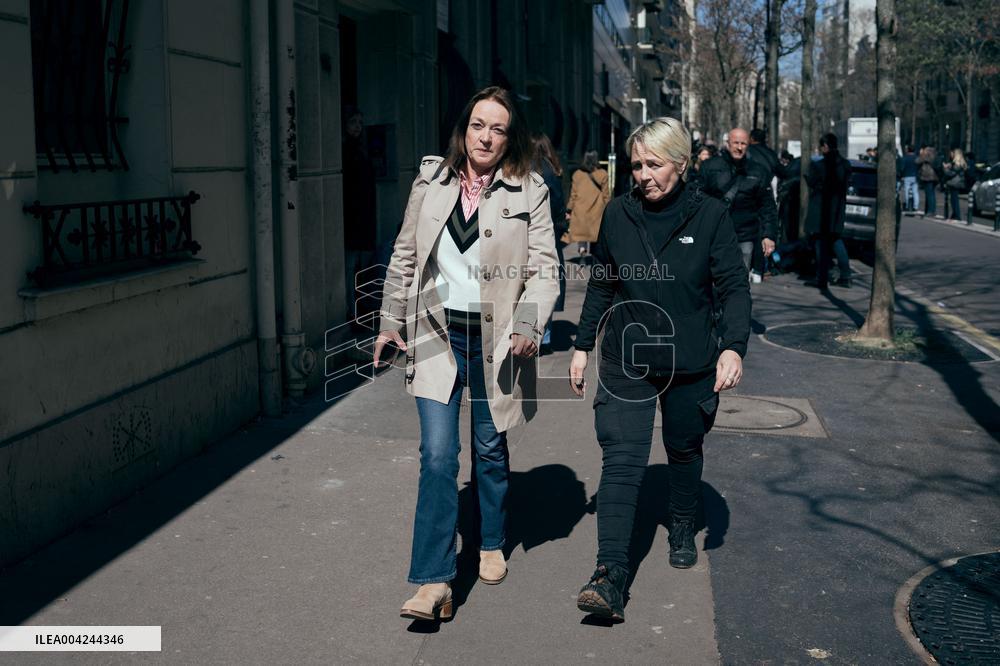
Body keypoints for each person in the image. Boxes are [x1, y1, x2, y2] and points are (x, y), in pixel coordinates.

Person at [374, 86, 560, 621]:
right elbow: (405, 257)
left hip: (495, 340)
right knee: (437, 456)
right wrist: (389, 322)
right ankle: (433, 582)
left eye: (498, 129)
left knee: (488, 448)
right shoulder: (431, 183)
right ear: (464, 128)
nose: (486, 136)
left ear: (510, 138)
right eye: (478, 125)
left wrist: (529, 323)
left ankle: (491, 539)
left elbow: (545, 271)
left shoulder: (531, 191)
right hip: (436, 336)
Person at [568, 117, 751, 622]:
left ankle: (683, 518)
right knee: (622, 461)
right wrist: (582, 346)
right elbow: (602, 284)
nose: (643, 174)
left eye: (654, 164)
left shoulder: (710, 216)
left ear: (681, 164)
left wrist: (733, 347)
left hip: (690, 361)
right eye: (636, 165)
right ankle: (609, 575)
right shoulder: (618, 215)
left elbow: (733, 286)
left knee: (683, 447)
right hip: (626, 356)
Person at [698, 127, 778, 279]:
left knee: (738, 283)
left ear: (748, 145)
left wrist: (768, 235)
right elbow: (697, 198)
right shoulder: (710, 166)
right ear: (728, 143)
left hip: (745, 236)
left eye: (743, 143)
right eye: (736, 143)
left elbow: (767, 206)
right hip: (714, 234)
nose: (739, 147)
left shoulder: (758, 171)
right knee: (711, 282)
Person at [532, 133, 567, 352]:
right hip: (548, 233)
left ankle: (533, 334)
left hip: (528, 232)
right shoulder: (550, 170)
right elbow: (558, 203)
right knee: (546, 280)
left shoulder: (522, 169)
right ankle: (543, 336)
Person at [342, 107, 378, 322]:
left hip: (362, 215)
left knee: (359, 266)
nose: (357, 127)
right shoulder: (346, 151)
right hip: (353, 216)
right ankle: (352, 310)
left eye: (360, 123)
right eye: (353, 122)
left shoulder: (361, 150)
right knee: (350, 266)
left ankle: (359, 306)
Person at [805, 133, 853, 290]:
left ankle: (821, 277)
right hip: (837, 210)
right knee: (836, 240)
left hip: (821, 210)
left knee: (820, 243)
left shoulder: (819, 166)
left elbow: (811, 181)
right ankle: (846, 275)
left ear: (825, 146)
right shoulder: (845, 165)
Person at [565, 150, 611, 256]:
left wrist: (569, 209)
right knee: (595, 235)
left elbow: (573, 195)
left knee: (582, 234)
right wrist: (608, 209)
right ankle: (594, 257)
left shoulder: (577, 174)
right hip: (597, 210)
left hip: (580, 209)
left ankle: (582, 251)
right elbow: (606, 195)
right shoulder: (603, 174)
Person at [942, 147, 968, 222]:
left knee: (954, 200)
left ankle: (957, 216)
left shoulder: (957, 163)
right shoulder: (957, 163)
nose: (951, 154)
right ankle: (954, 215)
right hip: (956, 182)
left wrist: (945, 169)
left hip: (955, 183)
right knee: (953, 199)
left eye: (952, 153)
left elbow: (951, 173)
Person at [917, 146, 939, 217]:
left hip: (927, 176)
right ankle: (931, 210)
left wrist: (921, 154)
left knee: (929, 194)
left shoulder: (926, 155)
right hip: (934, 176)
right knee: (931, 194)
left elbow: (917, 161)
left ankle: (930, 211)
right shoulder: (934, 154)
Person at [899, 145, 919, 213]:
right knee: (915, 192)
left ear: (908, 150)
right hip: (915, 176)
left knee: (906, 191)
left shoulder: (905, 158)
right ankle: (915, 206)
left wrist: (901, 175)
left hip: (907, 176)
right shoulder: (917, 158)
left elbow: (902, 167)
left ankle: (907, 205)